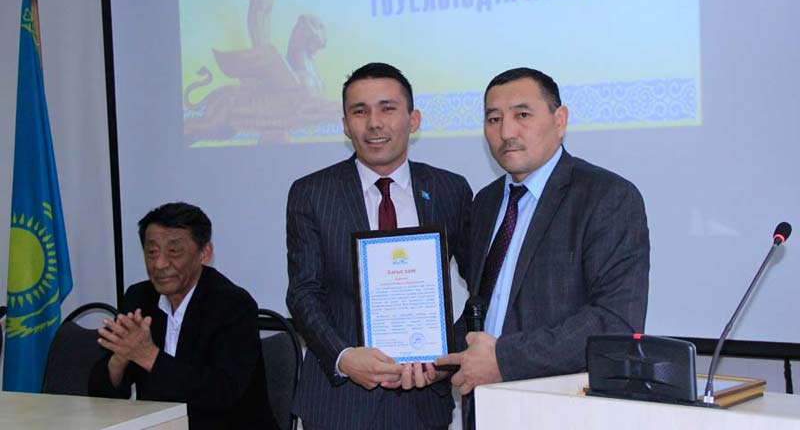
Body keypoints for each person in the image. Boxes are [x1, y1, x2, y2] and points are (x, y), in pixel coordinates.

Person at [437, 68, 650, 424]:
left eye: (522, 115)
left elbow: (614, 322)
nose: (506, 132)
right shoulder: (487, 202)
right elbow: (486, 307)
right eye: (494, 119)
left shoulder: (607, 196)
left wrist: (504, 359)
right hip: (485, 410)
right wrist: (432, 358)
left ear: (559, 120)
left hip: (561, 411)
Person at [286, 63, 472, 429]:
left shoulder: (450, 190)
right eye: (360, 111)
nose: (374, 123)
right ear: (345, 125)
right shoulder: (312, 194)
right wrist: (344, 357)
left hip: (423, 402)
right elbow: (304, 292)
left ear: (413, 119)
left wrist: (445, 357)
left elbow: (482, 286)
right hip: (339, 404)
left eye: (387, 108)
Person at [88, 202, 278, 430]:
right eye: (152, 252)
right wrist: (119, 360)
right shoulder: (139, 298)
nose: (159, 264)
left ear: (204, 253)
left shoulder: (233, 305)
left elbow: (220, 396)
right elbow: (100, 397)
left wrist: (148, 356)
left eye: (174, 252)